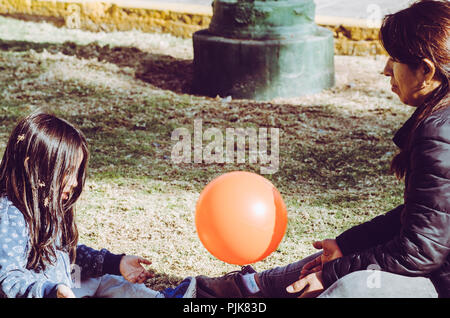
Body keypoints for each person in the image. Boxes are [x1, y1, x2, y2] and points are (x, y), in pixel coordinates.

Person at [195, 0, 450, 298]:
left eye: (394, 58)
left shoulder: (438, 132)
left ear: (426, 70)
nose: (385, 70)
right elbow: (427, 218)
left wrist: (330, 275)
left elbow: (420, 250)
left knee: (351, 288)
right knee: (340, 261)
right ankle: (250, 288)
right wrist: (347, 244)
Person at [0, 112, 196, 298]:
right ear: (34, 167)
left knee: (104, 279)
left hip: (65, 284)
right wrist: (50, 291)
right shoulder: (11, 215)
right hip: (48, 292)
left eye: (77, 173)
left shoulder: (45, 204)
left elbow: (67, 253)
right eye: (68, 172)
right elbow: (7, 278)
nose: (75, 182)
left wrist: (116, 263)